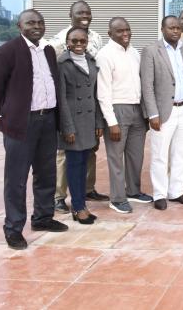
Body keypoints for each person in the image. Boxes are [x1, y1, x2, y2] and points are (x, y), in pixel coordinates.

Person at [0, 9, 68, 249]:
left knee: (46, 174)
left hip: (47, 121)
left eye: (40, 22)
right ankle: (13, 228)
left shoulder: (49, 50)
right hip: (21, 123)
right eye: (31, 22)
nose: (37, 26)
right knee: (17, 179)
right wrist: (7, 113)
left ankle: (42, 218)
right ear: (19, 26)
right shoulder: (7, 51)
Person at [49, 0, 108, 212]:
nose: (85, 15)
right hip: (72, 107)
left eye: (88, 12)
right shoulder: (59, 39)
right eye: (80, 12)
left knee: (90, 150)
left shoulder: (97, 37)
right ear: (70, 15)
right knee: (65, 155)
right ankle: (59, 196)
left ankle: (87, 188)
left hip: (89, 107)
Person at [141, 16, 183, 210]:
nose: (175, 31)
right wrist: (152, 114)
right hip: (163, 112)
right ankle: (159, 194)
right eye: (171, 28)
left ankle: (176, 191)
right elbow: (147, 86)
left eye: (177, 28)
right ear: (162, 29)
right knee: (160, 155)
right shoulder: (151, 51)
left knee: (182, 154)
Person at [96, 17, 152, 214]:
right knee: (116, 157)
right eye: (119, 31)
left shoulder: (134, 53)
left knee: (136, 155)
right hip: (117, 110)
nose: (125, 34)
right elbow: (103, 92)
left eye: (127, 29)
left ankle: (133, 191)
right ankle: (117, 198)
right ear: (110, 33)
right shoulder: (105, 55)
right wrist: (111, 122)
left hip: (137, 110)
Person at [57, 27, 105, 224]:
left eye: (82, 41)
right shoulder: (62, 63)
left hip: (89, 121)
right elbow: (61, 99)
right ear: (67, 42)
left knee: (84, 164)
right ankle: (78, 207)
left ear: (87, 42)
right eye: (74, 41)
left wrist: (98, 123)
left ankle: (81, 205)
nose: (78, 45)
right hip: (72, 123)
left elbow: (95, 96)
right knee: (74, 165)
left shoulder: (92, 62)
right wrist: (67, 127)